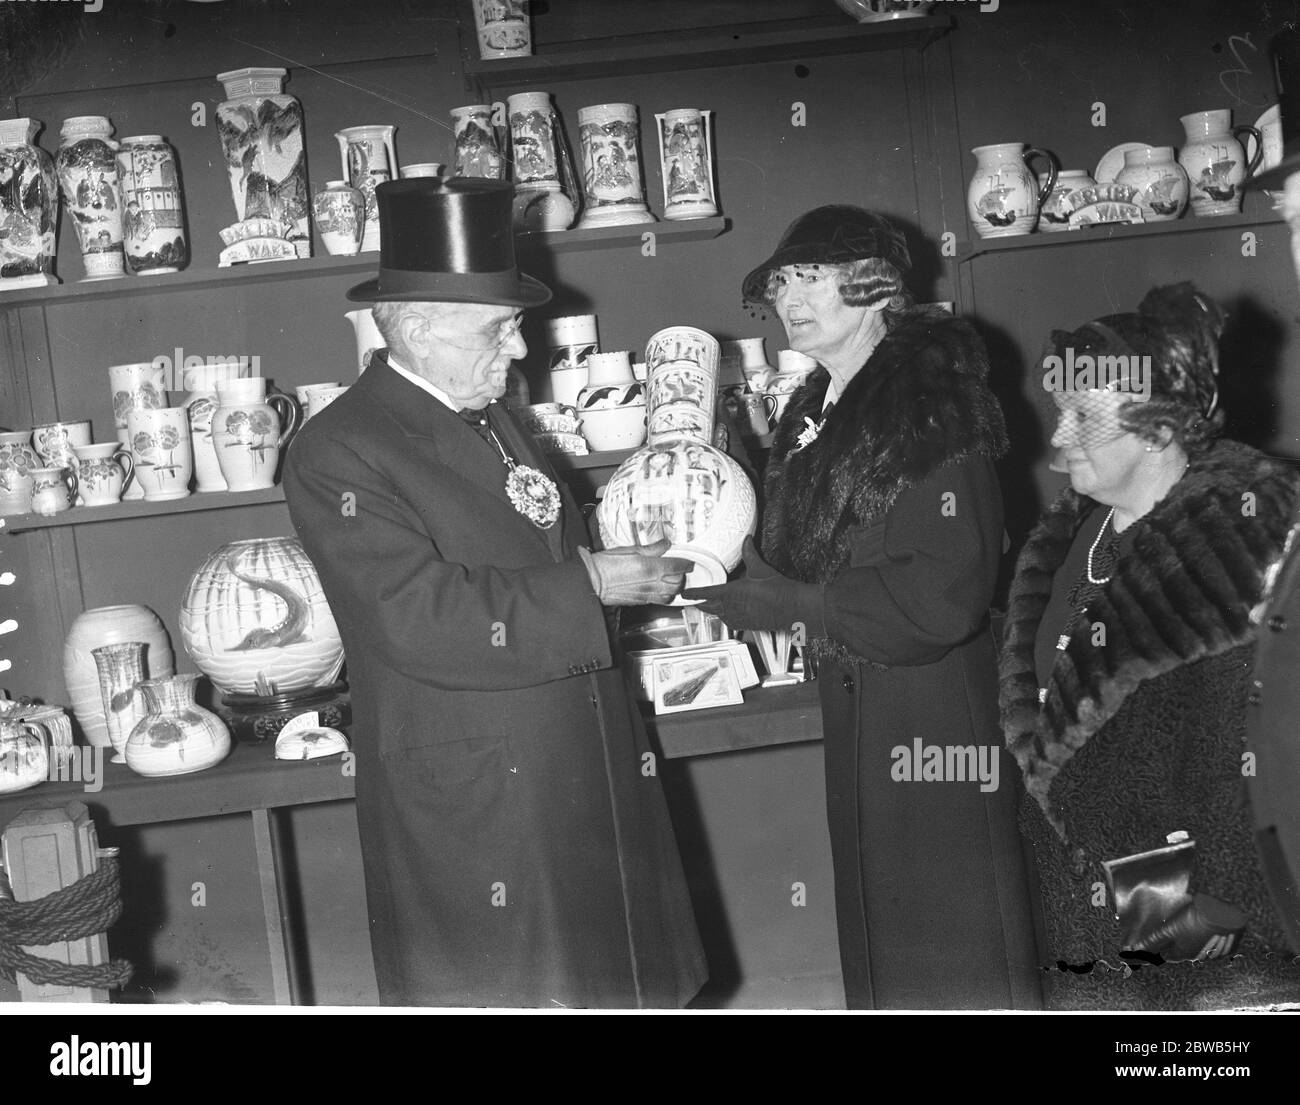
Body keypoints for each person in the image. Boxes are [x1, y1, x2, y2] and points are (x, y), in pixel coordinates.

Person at [283, 177, 707, 1008]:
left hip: (576, 771)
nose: (518, 349)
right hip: (483, 797)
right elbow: (420, 616)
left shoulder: (484, 410)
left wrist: (609, 567)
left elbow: (528, 542)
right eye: (498, 327)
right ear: (413, 327)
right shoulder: (340, 448)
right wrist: (594, 581)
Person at [685, 205, 1039, 1009]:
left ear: (874, 288)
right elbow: (809, 549)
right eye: (782, 281)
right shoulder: (818, 406)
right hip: (864, 701)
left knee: (951, 938)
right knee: (887, 931)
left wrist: (795, 607)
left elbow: (943, 592)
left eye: (814, 277)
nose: (791, 298)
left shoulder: (930, 403)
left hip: (934, 708)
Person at [999, 283, 1300, 1009]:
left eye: (1082, 418)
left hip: (1192, 922)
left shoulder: (1234, 559)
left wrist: (1195, 938)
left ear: (1158, 432)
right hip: (1083, 905)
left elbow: (1237, 781)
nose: (1058, 437)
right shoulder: (1075, 537)